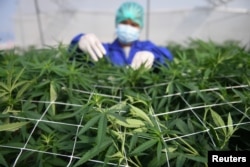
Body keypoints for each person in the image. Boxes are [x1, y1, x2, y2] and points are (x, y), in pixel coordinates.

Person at [69, 1, 173, 70]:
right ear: (117, 24)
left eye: (133, 24)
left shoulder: (146, 47)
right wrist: (78, 43)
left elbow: (168, 58)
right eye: (124, 22)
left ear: (140, 27)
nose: (128, 27)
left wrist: (154, 56)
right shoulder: (105, 50)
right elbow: (77, 62)